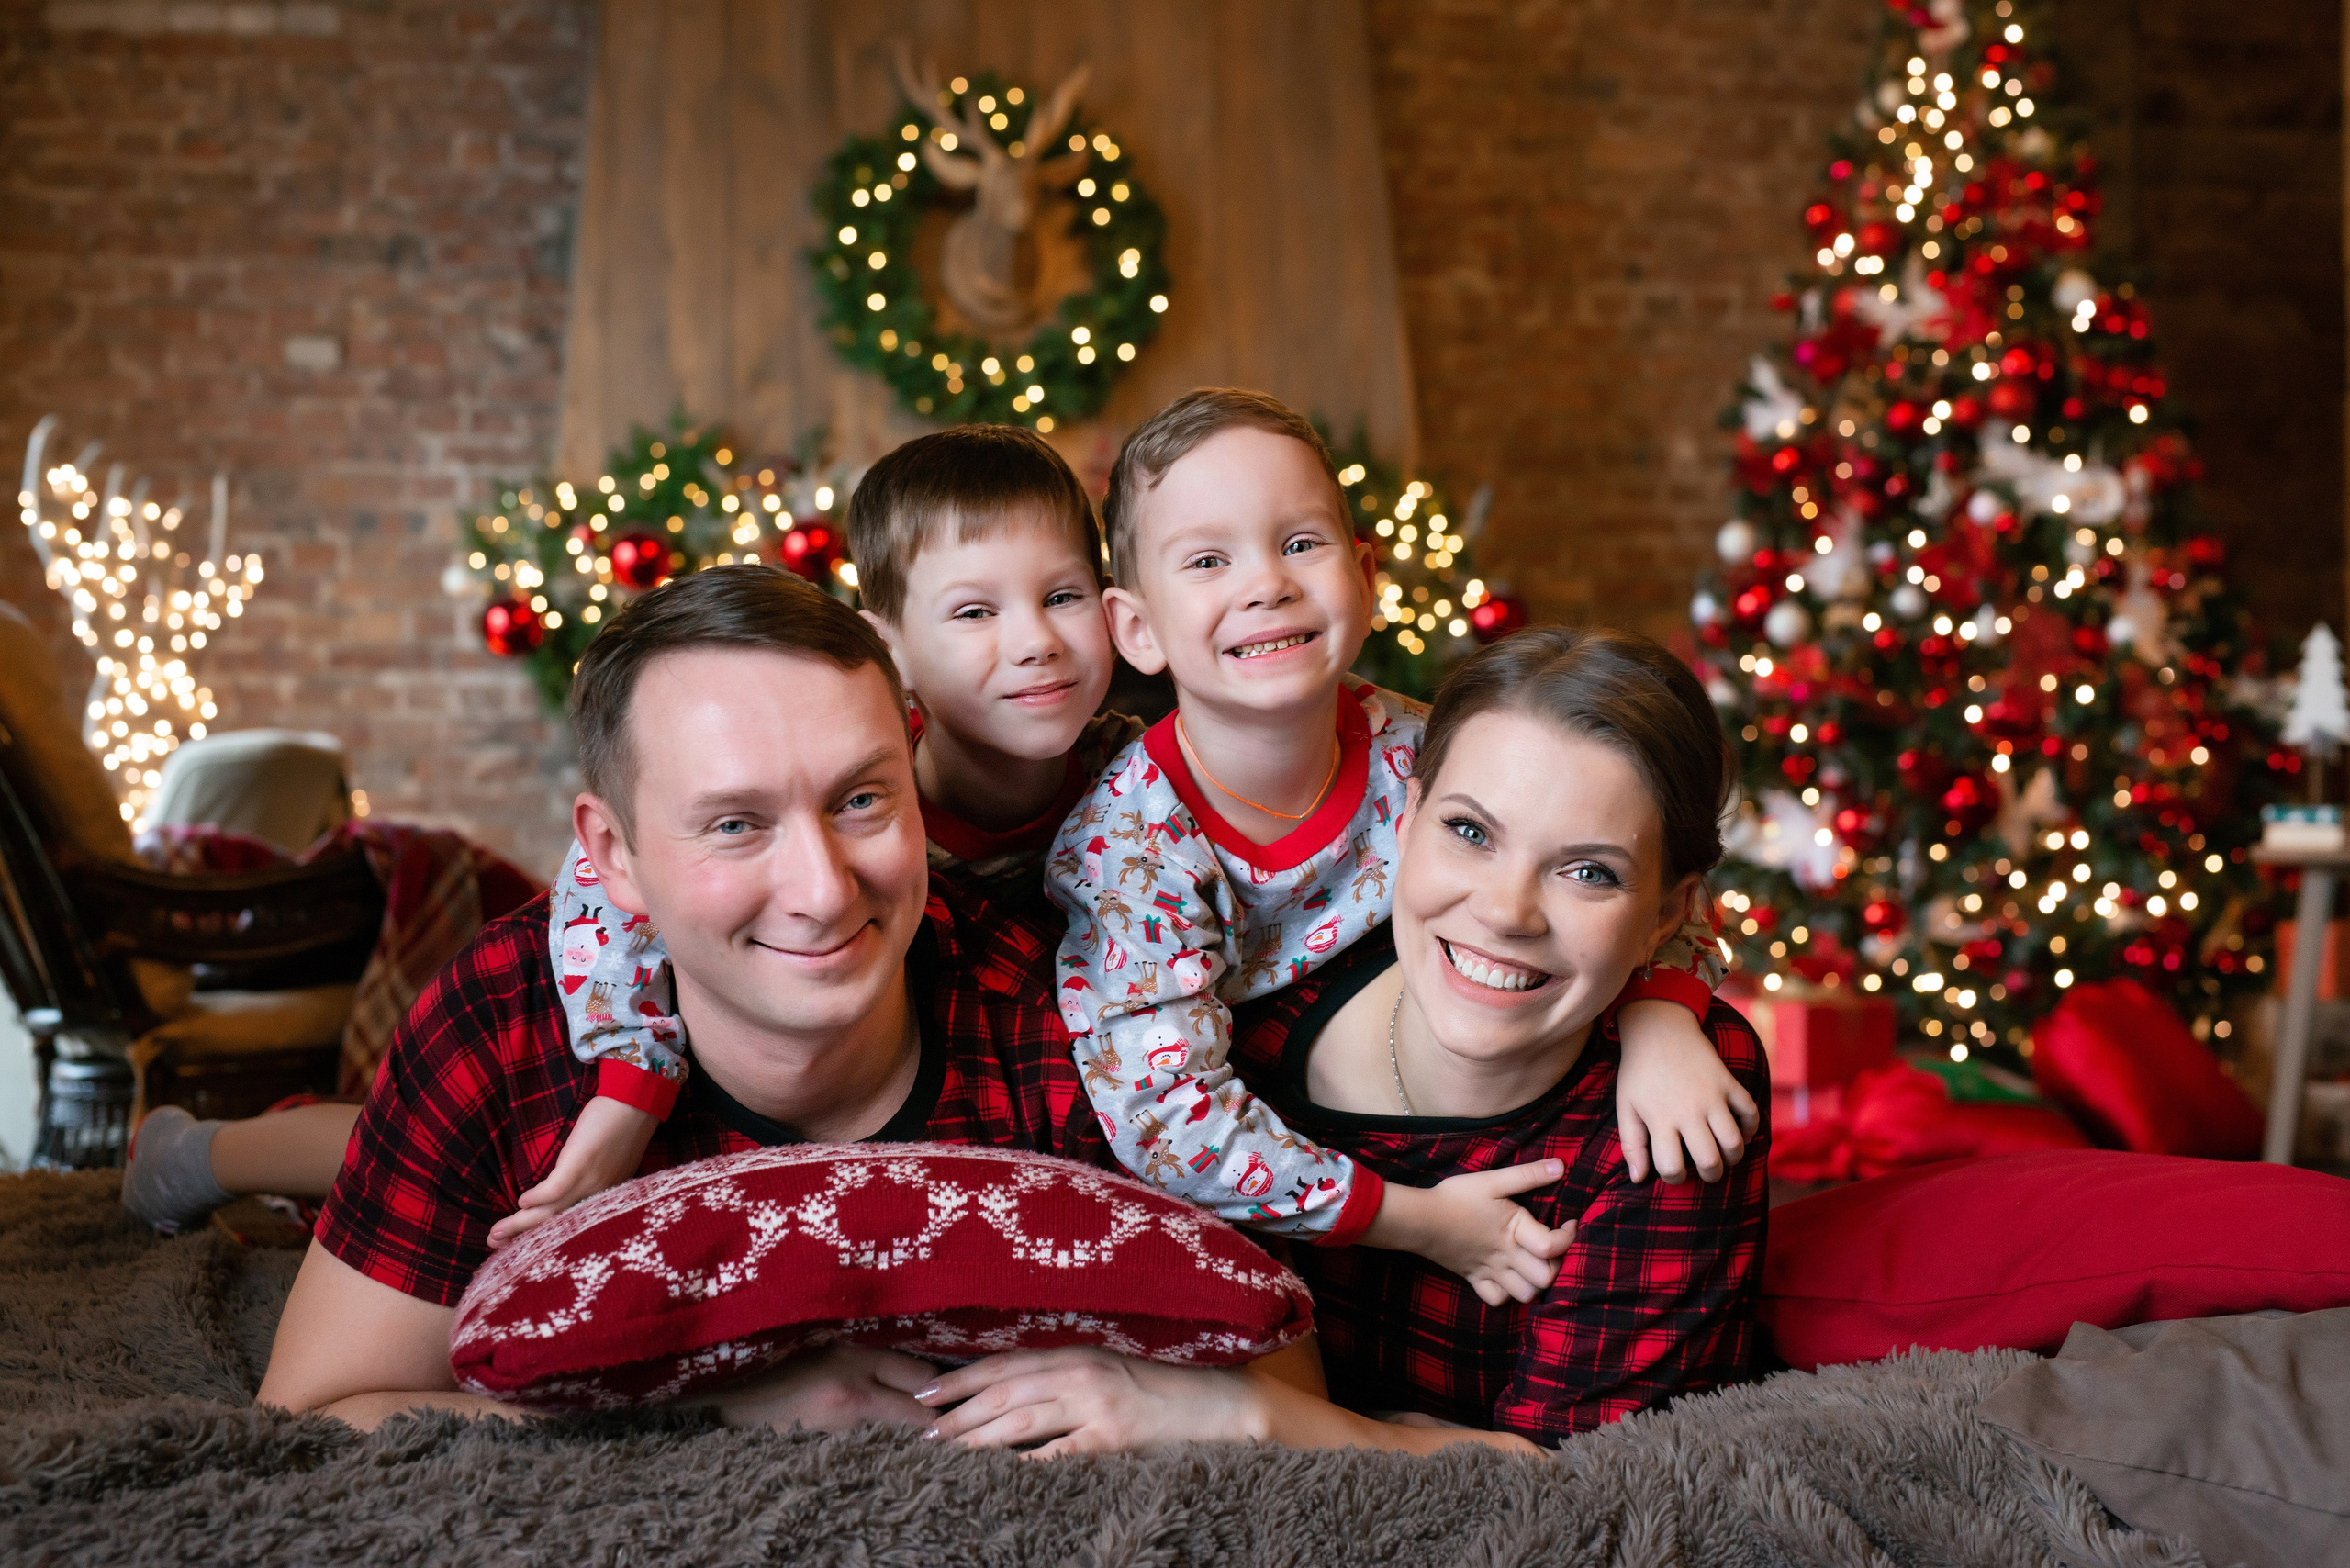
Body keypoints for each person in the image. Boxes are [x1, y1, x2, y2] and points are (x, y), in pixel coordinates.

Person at [119, 426, 1128, 1242]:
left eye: (1062, 597)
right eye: (974, 613)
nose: (1034, 641)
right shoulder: (835, 764)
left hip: (917, 1057)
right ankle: (207, 1153)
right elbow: (610, 892)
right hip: (661, 1037)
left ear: (1120, 610)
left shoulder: (1140, 782)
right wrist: (630, 1093)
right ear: (886, 647)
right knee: (456, 1166)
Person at [252, 564, 1166, 1431]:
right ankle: (219, 1154)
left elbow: (1238, 1380)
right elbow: (315, 1420)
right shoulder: (500, 1022)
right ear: (613, 856)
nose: (824, 891)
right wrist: (708, 1410)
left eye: (860, 800)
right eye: (736, 824)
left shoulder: (1069, 1017)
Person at [912, 625, 1771, 1455]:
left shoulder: (1678, 1104)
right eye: (1469, 832)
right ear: (1405, 816)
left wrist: (1248, 1415)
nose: (1507, 912)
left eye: (1589, 872)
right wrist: (1412, 1443)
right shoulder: (1224, 1010)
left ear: (1667, 913)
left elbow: (1590, 1490)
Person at [1037, 389, 1754, 1304]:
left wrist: (1661, 1017)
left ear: (1365, 575)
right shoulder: (1128, 848)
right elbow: (1166, 1121)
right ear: (1137, 629)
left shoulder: (1425, 753)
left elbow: (1636, 879)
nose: (1267, 583)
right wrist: (1419, 1221)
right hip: (1252, 1166)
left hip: (1434, 1054)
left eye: (1301, 543)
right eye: (1209, 560)